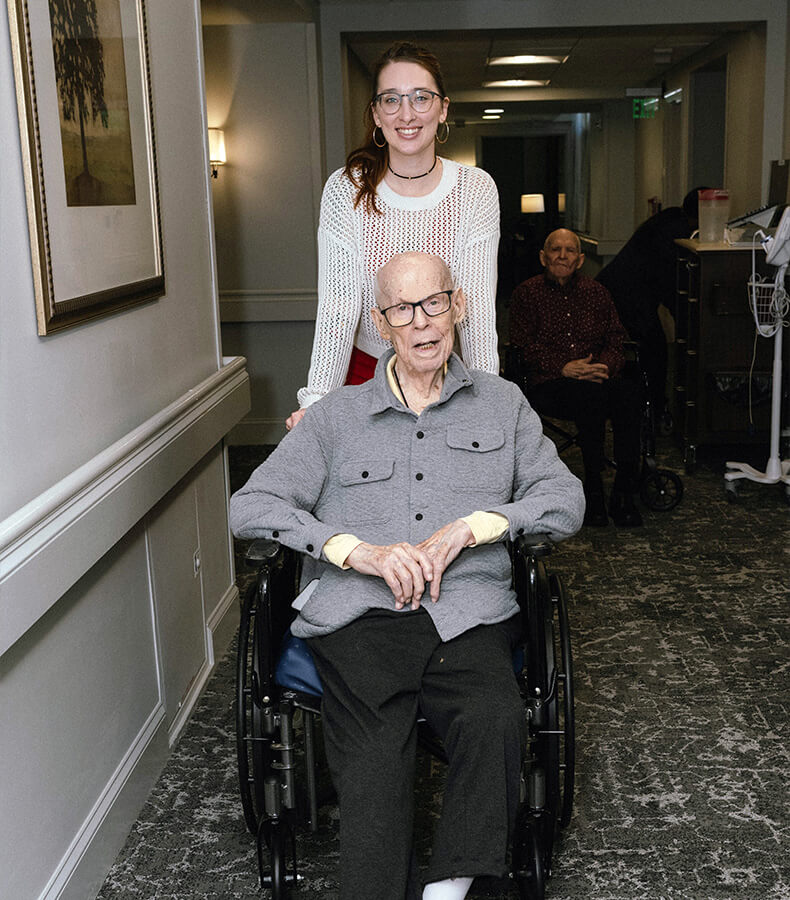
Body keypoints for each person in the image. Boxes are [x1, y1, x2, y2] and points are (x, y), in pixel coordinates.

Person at [231, 252, 584, 900]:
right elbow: (251, 506)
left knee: (494, 720)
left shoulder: (503, 405)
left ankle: (450, 887)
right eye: (402, 308)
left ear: (458, 306)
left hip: (467, 616)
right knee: (372, 767)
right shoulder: (336, 416)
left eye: (433, 303)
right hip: (359, 617)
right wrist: (350, 549)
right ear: (380, 322)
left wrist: (476, 526)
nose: (421, 322)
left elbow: (565, 499)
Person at [286, 41, 500, 431]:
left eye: (421, 98)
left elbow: (477, 313)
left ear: (443, 108)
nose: (407, 114)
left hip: (445, 379)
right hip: (366, 377)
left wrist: (486, 399)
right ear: (376, 113)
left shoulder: (476, 189)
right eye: (391, 100)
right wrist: (317, 401)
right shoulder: (345, 189)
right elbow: (338, 308)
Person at [509, 228, 643, 528]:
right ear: (543, 257)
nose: (562, 255)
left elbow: (615, 338)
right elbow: (521, 346)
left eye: (570, 251)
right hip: (550, 382)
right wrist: (563, 367)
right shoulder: (526, 294)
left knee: (630, 395)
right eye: (555, 249)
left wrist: (604, 367)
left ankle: (623, 492)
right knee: (590, 399)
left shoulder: (597, 293)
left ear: (580, 259)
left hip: (598, 376)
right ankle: (593, 491)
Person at [595, 188, 704, 417]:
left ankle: (650, 404)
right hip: (626, 293)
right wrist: (685, 317)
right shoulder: (677, 232)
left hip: (618, 287)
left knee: (651, 347)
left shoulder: (670, 218)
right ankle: (652, 407)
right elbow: (667, 280)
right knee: (653, 348)